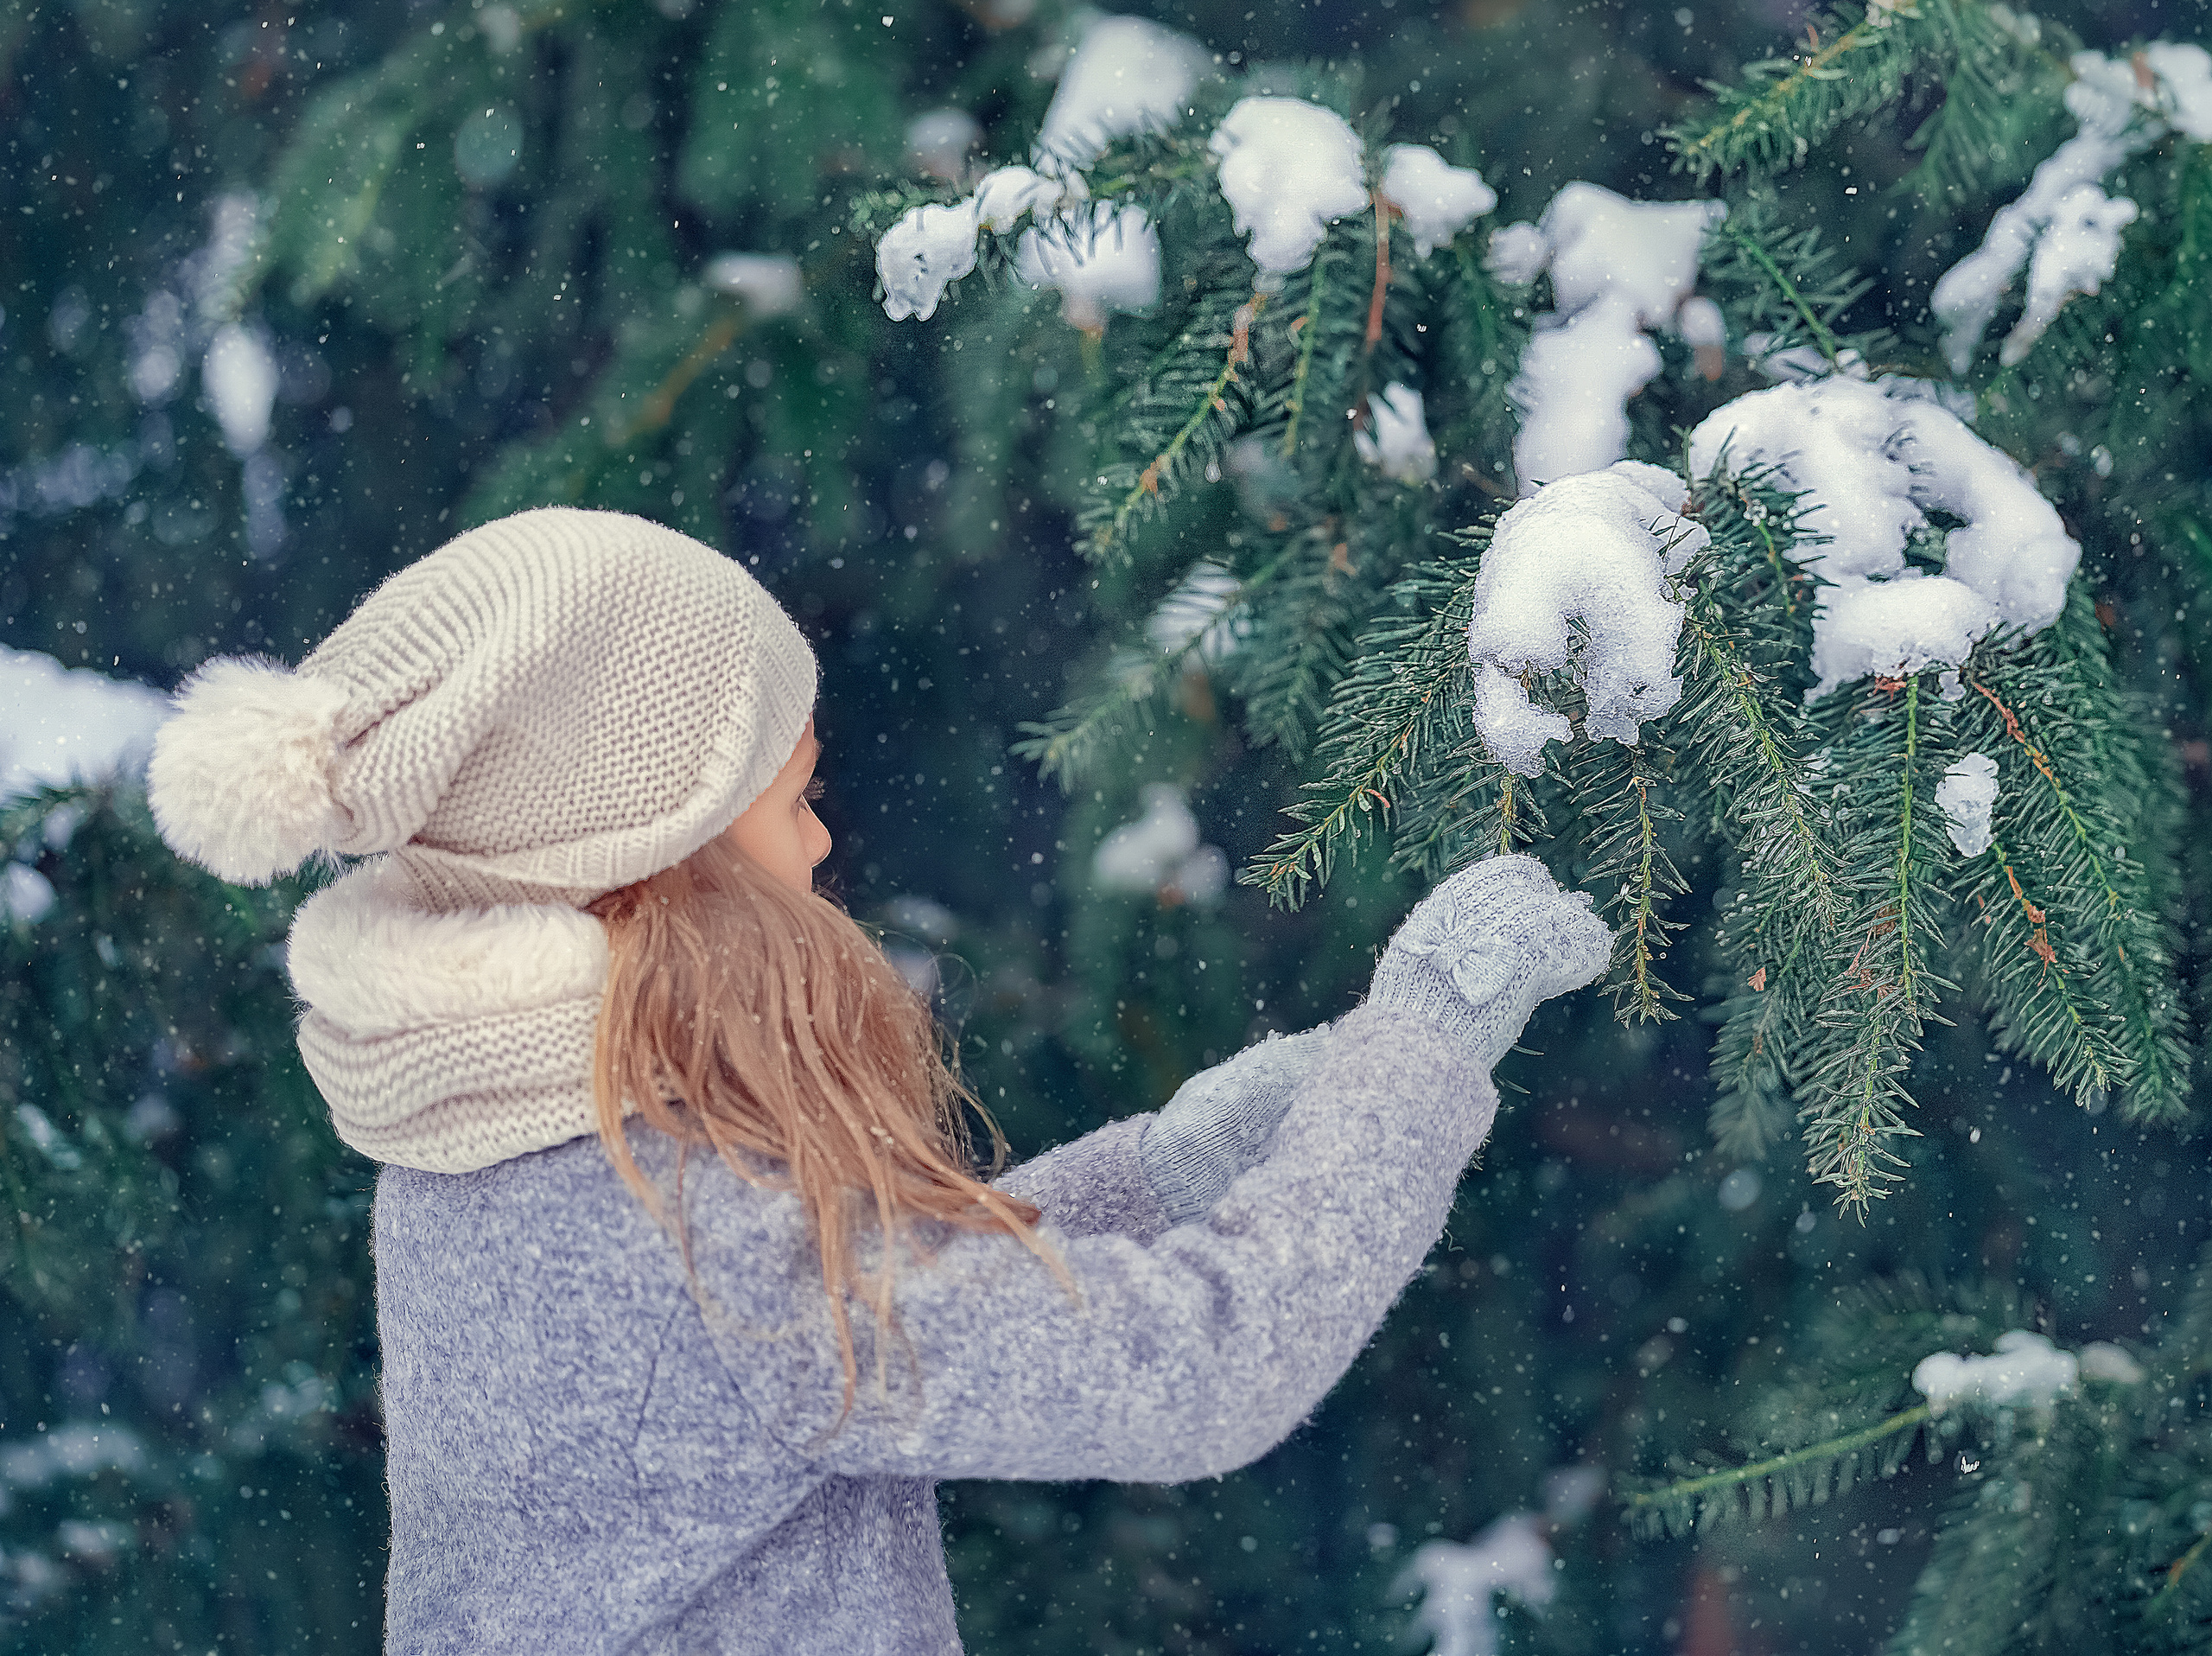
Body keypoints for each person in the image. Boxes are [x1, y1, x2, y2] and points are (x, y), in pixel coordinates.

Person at [147, 507, 1611, 1655]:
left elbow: (840, 1324)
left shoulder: (515, 1147)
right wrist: (1422, 1040)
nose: (823, 849)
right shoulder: (691, 1233)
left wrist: (1175, 1162)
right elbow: (1198, 1367)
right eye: (794, 805)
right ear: (656, 867)